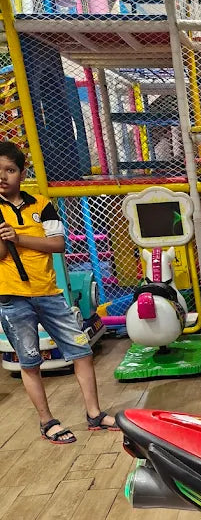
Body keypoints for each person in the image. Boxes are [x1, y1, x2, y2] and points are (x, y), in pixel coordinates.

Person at [0, 141, 117, 443]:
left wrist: (20, 237)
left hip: (49, 294)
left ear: (21, 172)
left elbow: (57, 244)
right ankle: (46, 421)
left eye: (9, 170)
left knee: (81, 352)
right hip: (12, 299)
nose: (3, 176)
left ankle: (94, 414)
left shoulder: (42, 205)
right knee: (29, 361)